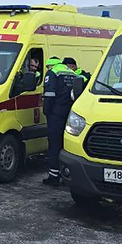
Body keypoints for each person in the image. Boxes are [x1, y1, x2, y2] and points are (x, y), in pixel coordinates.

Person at [42, 57, 78, 186]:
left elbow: (49, 95)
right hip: (70, 113)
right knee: (66, 145)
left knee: (54, 144)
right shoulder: (72, 73)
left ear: (50, 66)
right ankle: (66, 174)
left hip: (56, 113)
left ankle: (53, 176)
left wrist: (47, 111)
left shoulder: (52, 73)